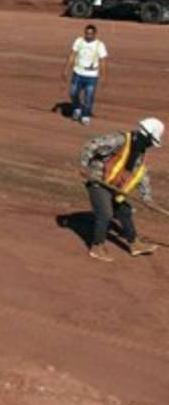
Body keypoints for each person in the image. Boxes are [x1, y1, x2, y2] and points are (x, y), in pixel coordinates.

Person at [79, 117, 162, 262]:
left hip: (114, 187)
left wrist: (147, 198)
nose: (150, 145)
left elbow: (141, 174)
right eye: (151, 141)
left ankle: (134, 244)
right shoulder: (119, 140)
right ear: (146, 135)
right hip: (98, 181)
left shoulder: (139, 153)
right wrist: (84, 165)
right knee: (105, 213)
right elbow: (91, 145)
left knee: (124, 211)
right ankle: (97, 247)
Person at [63, 24, 107, 125]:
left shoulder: (100, 45)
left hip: (91, 75)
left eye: (91, 34)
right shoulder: (79, 41)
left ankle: (85, 115)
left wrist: (103, 76)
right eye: (87, 33)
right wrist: (66, 69)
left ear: (95, 34)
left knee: (89, 97)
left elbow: (103, 61)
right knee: (73, 93)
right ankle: (77, 108)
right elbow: (72, 55)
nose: (88, 36)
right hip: (78, 72)